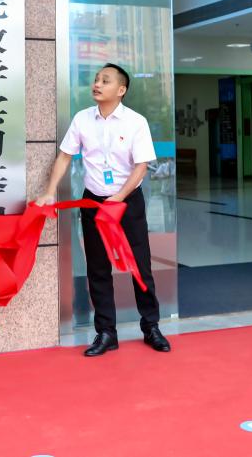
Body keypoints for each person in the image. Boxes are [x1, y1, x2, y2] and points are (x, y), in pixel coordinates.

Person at [36, 63, 171, 357]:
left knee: (139, 266)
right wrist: (49, 192)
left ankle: (151, 326)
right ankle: (106, 332)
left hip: (127, 203)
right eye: (96, 80)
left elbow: (141, 166)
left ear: (121, 90)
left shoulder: (136, 122)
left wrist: (119, 197)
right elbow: (65, 157)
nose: (97, 84)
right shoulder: (82, 119)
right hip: (94, 203)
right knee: (98, 268)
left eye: (105, 81)